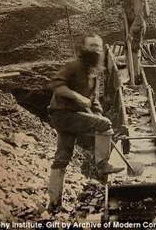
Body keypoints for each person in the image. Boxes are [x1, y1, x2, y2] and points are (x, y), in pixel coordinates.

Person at [46, 33, 124, 212]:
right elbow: (57, 85)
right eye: (92, 46)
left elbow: (94, 101)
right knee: (105, 125)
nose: (95, 49)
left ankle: (53, 203)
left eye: (98, 46)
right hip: (62, 115)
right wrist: (78, 97)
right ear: (83, 49)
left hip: (73, 117)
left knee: (62, 158)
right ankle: (102, 165)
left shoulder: (93, 73)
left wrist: (97, 114)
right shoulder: (73, 66)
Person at [113, 0, 149, 84]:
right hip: (126, 24)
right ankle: (129, 75)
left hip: (136, 25)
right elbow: (117, 1)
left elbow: (140, 16)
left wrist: (131, 33)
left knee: (133, 49)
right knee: (126, 49)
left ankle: (136, 77)